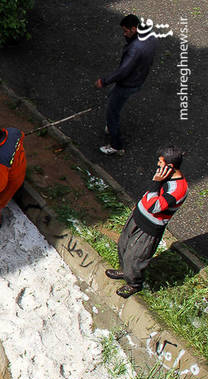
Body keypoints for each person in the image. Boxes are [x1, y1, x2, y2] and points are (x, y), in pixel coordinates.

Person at [105, 146, 188, 298]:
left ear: (169, 166)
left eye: (160, 162)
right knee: (124, 244)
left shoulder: (179, 189)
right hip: (138, 216)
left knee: (136, 257)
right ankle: (124, 270)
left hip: (149, 228)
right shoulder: (165, 175)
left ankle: (133, 284)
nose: (157, 164)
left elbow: (154, 206)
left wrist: (156, 183)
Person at [95, 14, 156, 156]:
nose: (124, 34)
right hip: (139, 79)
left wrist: (104, 81)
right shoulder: (150, 36)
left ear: (134, 29)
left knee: (112, 112)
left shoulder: (135, 49)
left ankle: (116, 145)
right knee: (114, 98)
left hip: (128, 83)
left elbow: (123, 71)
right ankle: (112, 130)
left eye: (126, 31)